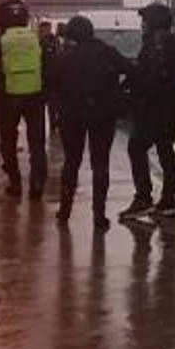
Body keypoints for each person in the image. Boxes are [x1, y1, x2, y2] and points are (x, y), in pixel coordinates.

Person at [47, 16, 132, 230]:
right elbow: (132, 71)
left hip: (72, 116)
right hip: (103, 116)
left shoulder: (65, 58)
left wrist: (59, 107)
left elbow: (51, 82)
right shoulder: (108, 52)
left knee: (71, 162)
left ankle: (65, 210)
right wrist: (119, 92)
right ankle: (99, 215)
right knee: (101, 164)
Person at [120, 2, 175, 220]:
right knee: (165, 151)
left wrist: (131, 93)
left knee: (137, 148)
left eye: (145, 21)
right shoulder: (172, 43)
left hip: (153, 110)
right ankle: (167, 200)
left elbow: (150, 79)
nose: (142, 25)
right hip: (169, 110)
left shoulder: (157, 45)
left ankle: (144, 198)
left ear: (154, 23)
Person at [0, 0, 48, 199]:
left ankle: (15, 182)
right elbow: (45, 63)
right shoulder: (35, 36)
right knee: (37, 141)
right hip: (35, 94)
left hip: (8, 95)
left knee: (8, 141)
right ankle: (37, 182)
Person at [38, 21, 62, 133]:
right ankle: (52, 124)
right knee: (46, 105)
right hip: (43, 79)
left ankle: (54, 123)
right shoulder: (39, 41)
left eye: (46, 29)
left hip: (51, 78)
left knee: (53, 104)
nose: (44, 32)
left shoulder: (53, 41)